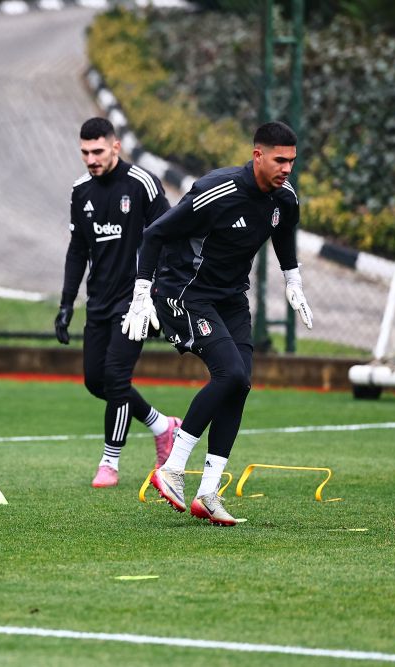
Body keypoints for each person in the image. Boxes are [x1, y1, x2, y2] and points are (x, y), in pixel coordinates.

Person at [124, 120, 314, 526]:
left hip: (231, 299)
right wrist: (141, 292)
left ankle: (207, 493)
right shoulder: (217, 191)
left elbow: (282, 231)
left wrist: (293, 279)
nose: (287, 169)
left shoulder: (285, 197)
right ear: (257, 155)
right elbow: (155, 234)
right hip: (185, 293)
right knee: (230, 374)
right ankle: (172, 468)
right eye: (279, 160)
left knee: (240, 384)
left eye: (292, 161)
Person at [54, 117, 182, 488]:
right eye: (84, 153)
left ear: (115, 147)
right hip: (99, 300)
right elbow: (77, 250)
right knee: (96, 381)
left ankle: (109, 462)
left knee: (116, 376)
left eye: (97, 151)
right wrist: (66, 303)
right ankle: (163, 426)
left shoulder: (142, 183)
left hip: (136, 300)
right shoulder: (80, 191)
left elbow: (169, 236)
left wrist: (157, 293)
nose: (91, 159)